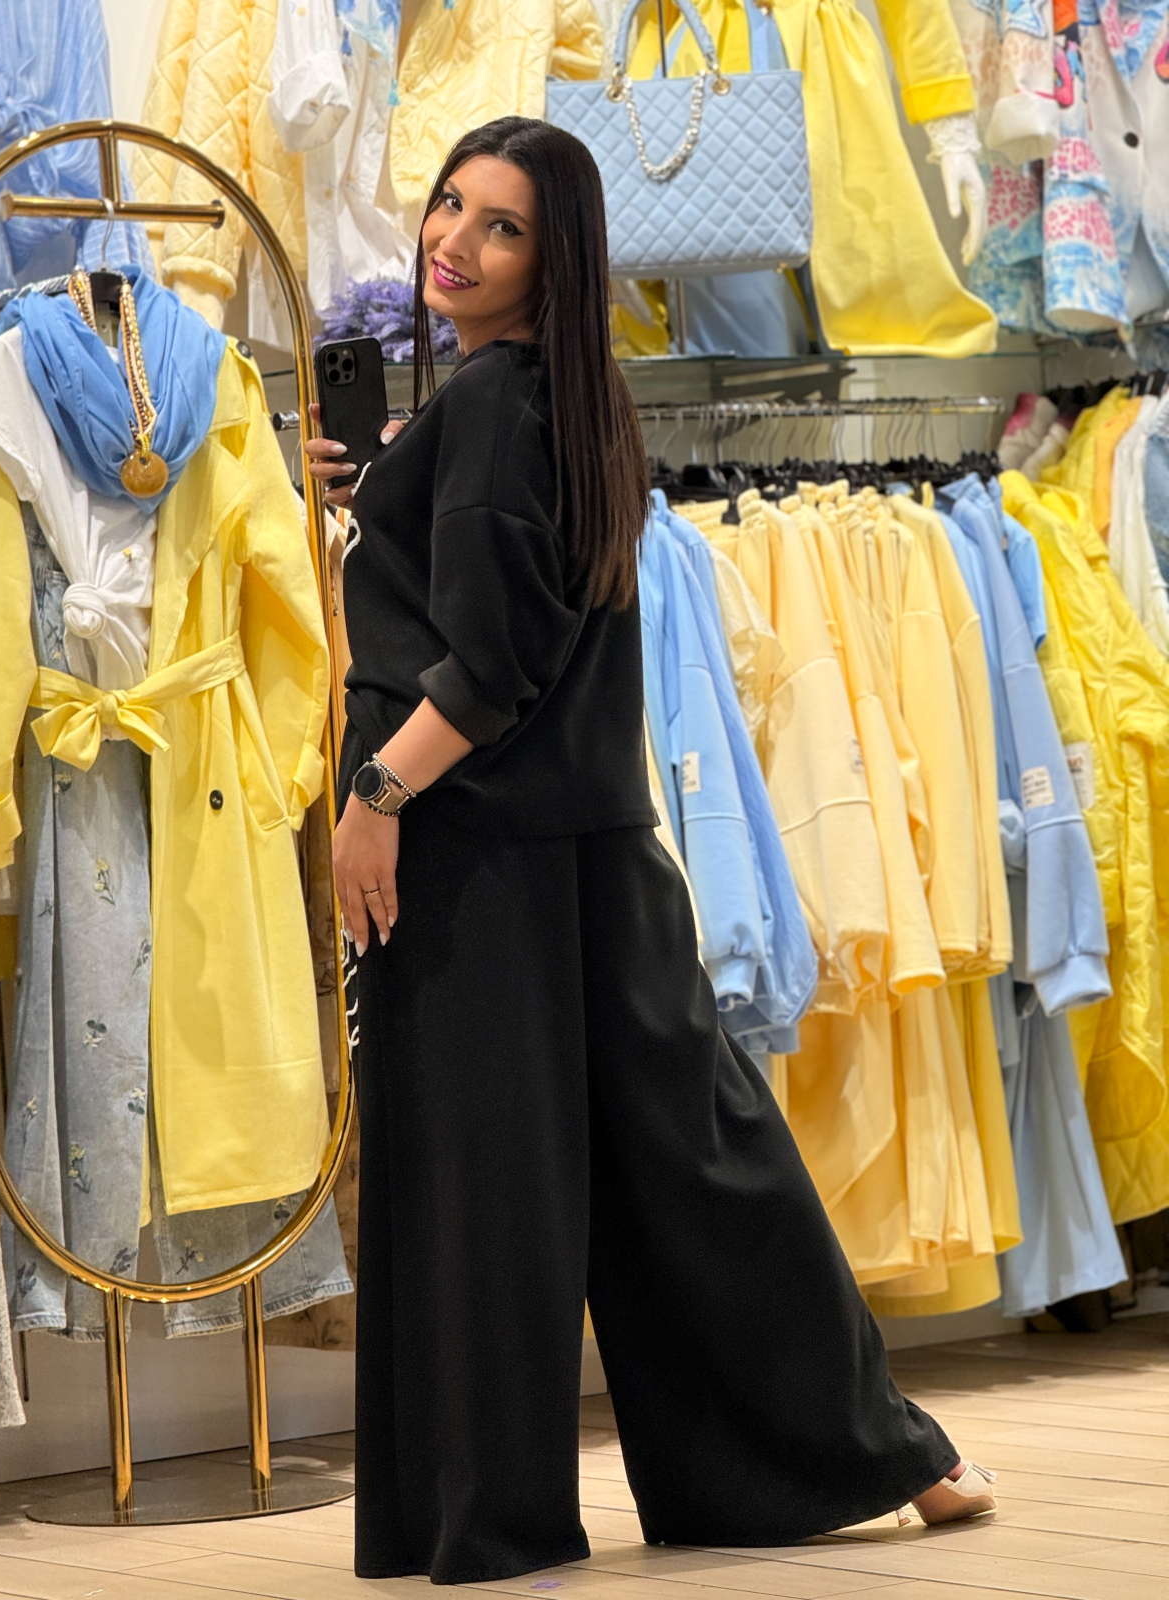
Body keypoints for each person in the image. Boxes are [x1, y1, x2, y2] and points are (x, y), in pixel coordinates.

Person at [306, 116, 996, 1589]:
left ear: (553, 261)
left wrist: (373, 795)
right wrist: (377, 502)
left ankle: (488, 1514)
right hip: (585, 848)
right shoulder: (554, 398)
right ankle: (873, 1448)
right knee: (693, 1161)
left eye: (501, 226)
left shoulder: (493, 404)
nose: (453, 240)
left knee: (493, 1193)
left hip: (480, 858)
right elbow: (508, 611)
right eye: (450, 205)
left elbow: (491, 666)